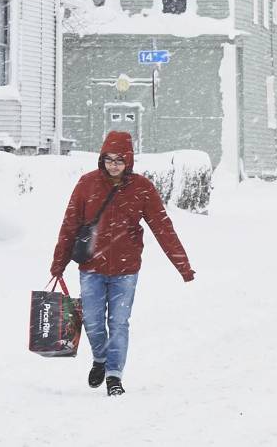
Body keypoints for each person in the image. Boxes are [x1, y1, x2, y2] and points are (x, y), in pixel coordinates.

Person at [50, 131, 194, 397]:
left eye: (119, 160)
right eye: (109, 159)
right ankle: (101, 359)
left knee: (119, 322)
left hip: (126, 270)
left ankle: (114, 375)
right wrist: (58, 262)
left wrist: (182, 266)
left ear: (128, 161)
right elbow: (70, 225)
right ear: (102, 159)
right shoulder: (87, 184)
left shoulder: (142, 188)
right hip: (91, 266)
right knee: (92, 321)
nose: (114, 164)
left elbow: (163, 228)